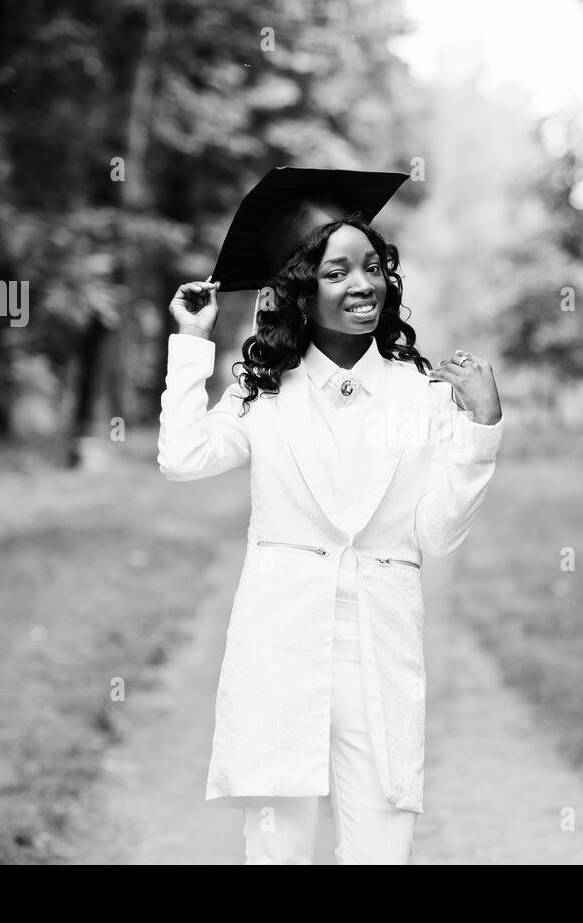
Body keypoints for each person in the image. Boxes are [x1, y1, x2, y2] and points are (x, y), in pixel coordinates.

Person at [157, 167, 504, 864]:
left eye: (373, 266)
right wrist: (193, 341)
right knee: (277, 848)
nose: (363, 284)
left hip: (379, 645)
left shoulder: (422, 394)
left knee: (380, 847)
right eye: (338, 270)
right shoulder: (263, 392)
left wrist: (482, 426)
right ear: (300, 289)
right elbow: (183, 455)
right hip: (283, 642)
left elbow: (437, 533)